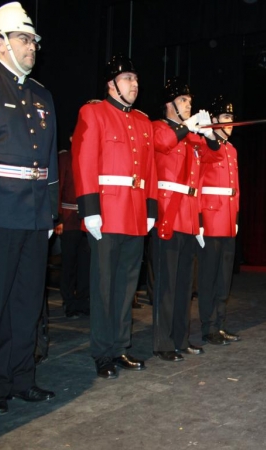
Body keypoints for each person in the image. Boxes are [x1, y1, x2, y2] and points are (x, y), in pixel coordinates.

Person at [72, 54, 158, 379]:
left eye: (136, 79)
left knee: (126, 288)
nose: (134, 85)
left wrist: (150, 209)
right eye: (127, 79)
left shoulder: (143, 122)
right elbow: (84, 160)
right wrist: (90, 210)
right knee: (104, 287)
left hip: (135, 214)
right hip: (106, 214)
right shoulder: (93, 113)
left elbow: (149, 168)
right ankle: (102, 351)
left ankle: (121, 346)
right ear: (111, 84)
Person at [0, 1, 58, 416]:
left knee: (27, 303)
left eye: (34, 40)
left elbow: (50, 160)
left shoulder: (41, 94)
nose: (31, 46)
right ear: (0, 42)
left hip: (35, 216)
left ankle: (22, 378)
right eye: (23, 38)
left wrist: (50, 214)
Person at [151, 77, 219, 361]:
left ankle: (180, 339)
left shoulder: (191, 136)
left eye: (190, 101)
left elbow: (212, 158)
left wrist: (210, 134)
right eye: (183, 101)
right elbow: (164, 143)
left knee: (183, 287)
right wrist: (185, 128)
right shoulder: (158, 127)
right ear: (169, 105)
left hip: (188, 216)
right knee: (166, 286)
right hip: (168, 213)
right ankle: (163, 342)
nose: (189, 105)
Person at [197, 96, 241, 346]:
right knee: (209, 277)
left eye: (231, 118)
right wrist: (200, 220)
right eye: (225, 118)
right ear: (213, 121)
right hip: (211, 219)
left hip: (227, 220)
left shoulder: (232, 149)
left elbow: (235, 188)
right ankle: (208, 327)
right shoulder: (205, 145)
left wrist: (235, 217)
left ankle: (220, 324)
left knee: (224, 277)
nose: (230, 122)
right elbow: (199, 182)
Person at [55, 136, 91, 318]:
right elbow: (59, 186)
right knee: (69, 263)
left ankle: (83, 302)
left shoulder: (91, 157)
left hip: (87, 220)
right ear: (70, 138)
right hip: (68, 219)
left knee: (86, 264)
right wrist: (58, 219)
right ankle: (69, 302)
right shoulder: (65, 158)